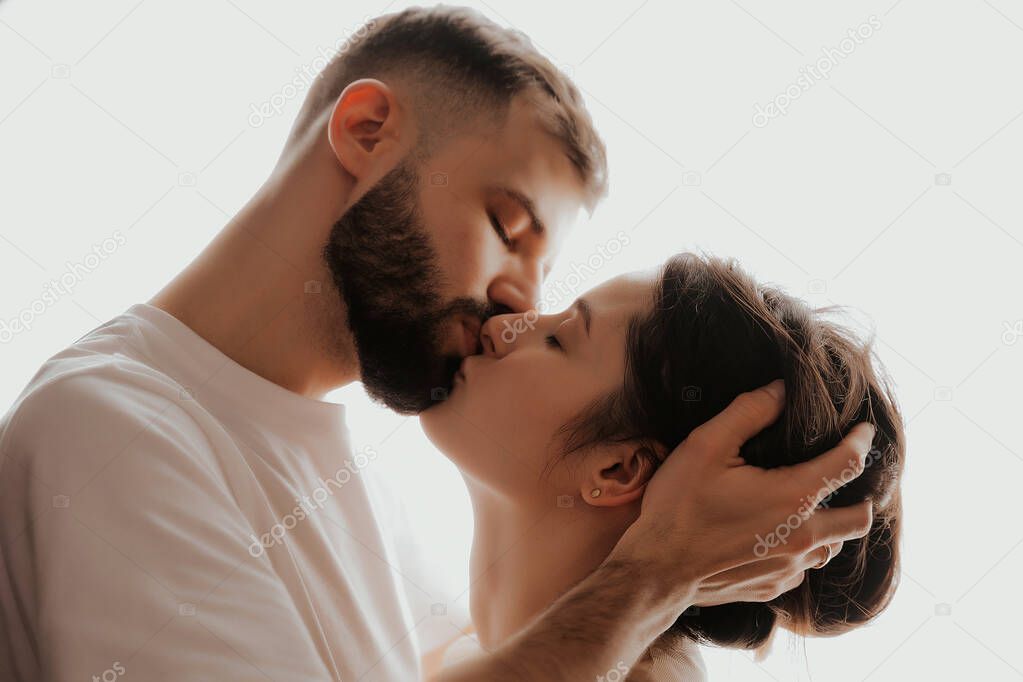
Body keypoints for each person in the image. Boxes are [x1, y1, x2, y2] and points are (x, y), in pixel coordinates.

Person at [0, 7, 877, 681]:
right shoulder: (113, 430)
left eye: (547, 280)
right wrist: (654, 578)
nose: (514, 305)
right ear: (366, 132)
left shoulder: (369, 508)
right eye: (507, 225)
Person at [421, 253, 905, 678]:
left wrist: (661, 572)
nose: (503, 325)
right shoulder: (438, 641)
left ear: (620, 470)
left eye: (559, 339)